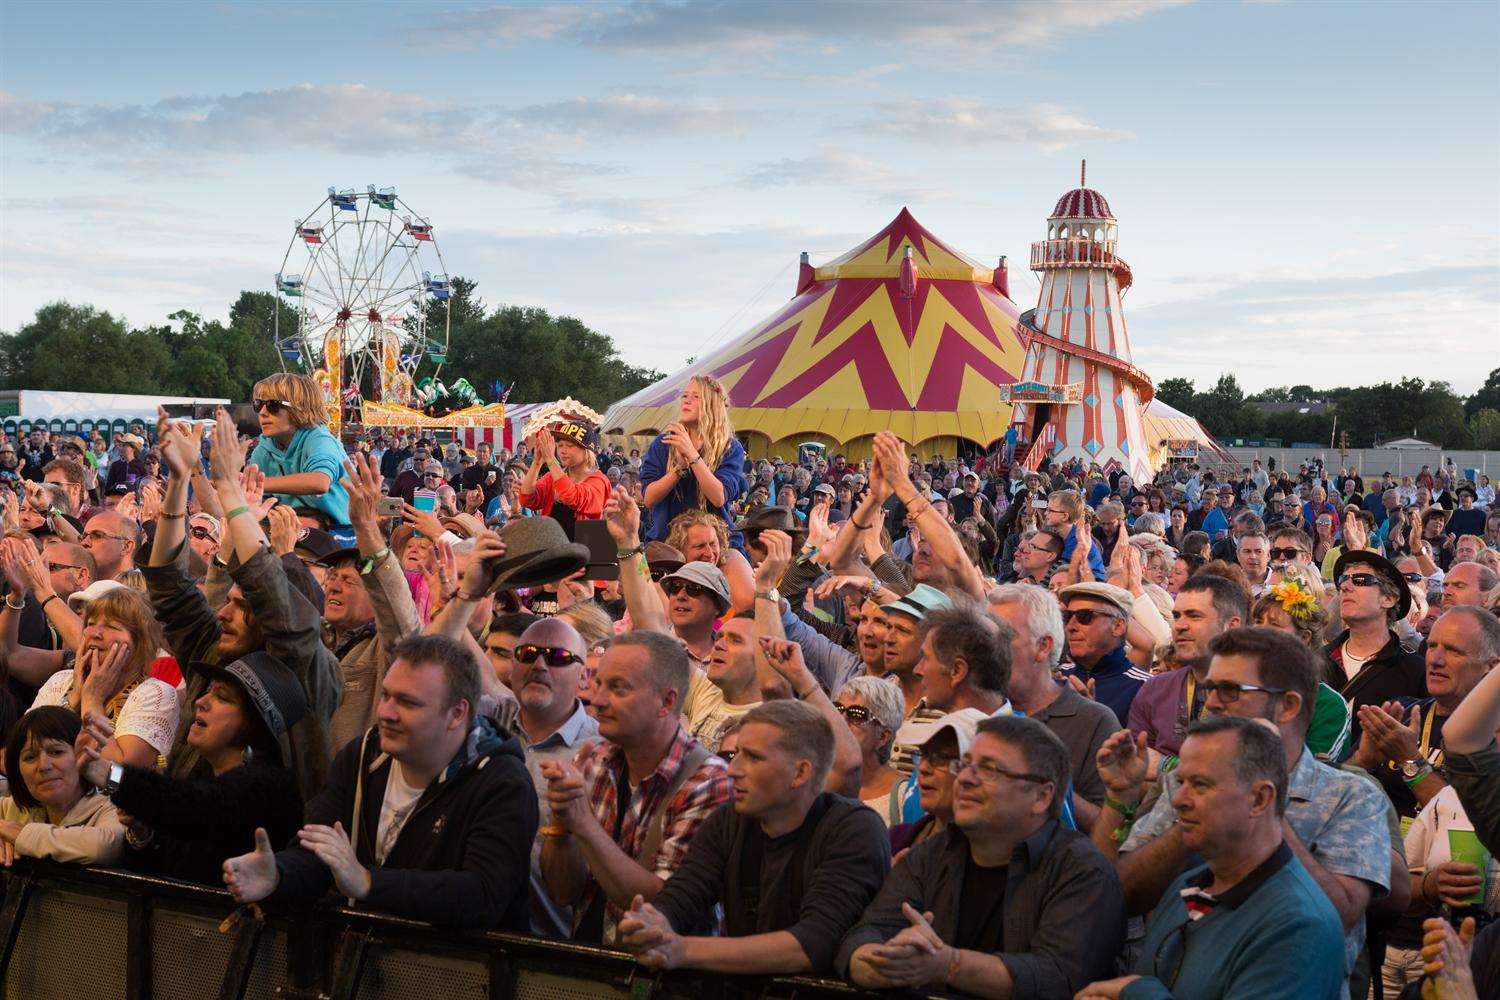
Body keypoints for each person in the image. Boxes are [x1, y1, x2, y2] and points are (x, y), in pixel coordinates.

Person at [1098, 628, 1395, 988]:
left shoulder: (1350, 795)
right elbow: (1123, 896)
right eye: (1209, 690)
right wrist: (1197, 813)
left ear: (1287, 706)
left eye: (1231, 691)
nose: (1212, 704)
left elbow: (1338, 916)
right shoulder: (1185, 780)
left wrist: (1258, 801)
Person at [223, 634, 537, 930]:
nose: (386, 713)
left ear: (457, 714)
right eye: (386, 695)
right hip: (365, 970)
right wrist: (277, 875)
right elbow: (321, 854)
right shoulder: (360, 756)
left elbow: (483, 894)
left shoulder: (502, 781)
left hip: (457, 979)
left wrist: (369, 883)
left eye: (408, 703)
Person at [841, 716, 1125, 999]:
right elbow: (865, 933)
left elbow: (1057, 977)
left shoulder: (1081, 870)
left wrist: (948, 964)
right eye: (964, 766)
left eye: (989, 770)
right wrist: (880, 962)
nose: (964, 778)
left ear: (1041, 796)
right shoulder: (930, 854)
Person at [1077, 717, 1347, 1000]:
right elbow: (1101, 907)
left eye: (1201, 784)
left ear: (1259, 799)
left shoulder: (1298, 926)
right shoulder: (1188, 887)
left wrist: (1136, 992)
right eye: (1180, 781)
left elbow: (1143, 986)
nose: (1179, 799)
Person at [617, 701, 890, 975]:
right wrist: (653, 923)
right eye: (735, 754)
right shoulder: (729, 820)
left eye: (753, 757)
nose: (733, 769)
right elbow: (684, 895)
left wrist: (683, 950)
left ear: (800, 773)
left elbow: (814, 944)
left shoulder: (853, 830)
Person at [538, 630, 731, 944]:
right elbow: (562, 893)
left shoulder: (708, 782)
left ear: (666, 701)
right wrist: (562, 821)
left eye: (618, 688)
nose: (597, 701)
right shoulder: (595, 763)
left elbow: (664, 907)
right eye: (598, 683)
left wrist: (583, 822)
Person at [75, 651, 306, 883]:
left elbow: (194, 807)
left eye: (223, 697)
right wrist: (144, 834)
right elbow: (169, 870)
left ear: (254, 728)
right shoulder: (203, 780)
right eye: (208, 691)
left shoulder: (271, 786)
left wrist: (111, 776)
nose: (200, 702)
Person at [988, 584, 1120, 830]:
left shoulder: (1093, 721)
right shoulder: (977, 711)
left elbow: (1108, 830)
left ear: (1043, 646)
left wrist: (1046, 782)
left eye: (1003, 636)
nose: (987, 647)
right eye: (985, 635)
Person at [509, 617, 601, 937]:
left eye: (558, 657)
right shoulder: (484, 723)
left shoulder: (601, 752)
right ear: (512, 665)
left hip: (553, 948)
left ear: (584, 676)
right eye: (527, 653)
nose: (539, 664)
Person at [21, 586, 179, 770]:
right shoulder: (61, 681)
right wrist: (72, 700)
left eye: (111, 626)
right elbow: (25, 749)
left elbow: (122, 770)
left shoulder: (156, 694)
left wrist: (92, 699)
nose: (95, 633)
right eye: (90, 624)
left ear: (140, 642)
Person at [1128, 574, 1246, 757]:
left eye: (1194, 616)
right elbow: (1137, 766)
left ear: (1232, 626)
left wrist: (1163, 766)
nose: (1179, 626)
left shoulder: (1258, 693)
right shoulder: (1154, 689)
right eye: (1177, 616)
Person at [0, 705, 124, 867]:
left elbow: (103, 847)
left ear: (83, 755)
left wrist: (20, 835)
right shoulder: (14, 808)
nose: (44, 766)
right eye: (30, 757)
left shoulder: (112, 807)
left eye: (56, 752)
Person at [1323, 549, 1427, 737]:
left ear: (1388, 599)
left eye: (1360, 580)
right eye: (1342, 580)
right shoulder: (1316, 660)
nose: (1345, 586)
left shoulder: (1415, 670)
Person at [640, 376, 748, 551]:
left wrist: (691, 454)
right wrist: (679, 468)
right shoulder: (664, 442)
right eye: (685, 396)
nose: (687, 400)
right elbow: (649, 499)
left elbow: (718, 497)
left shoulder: (728, 447)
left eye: (696, 396)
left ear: (712, 405)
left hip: (716, 543)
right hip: (668, 541)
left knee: (741, 573)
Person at [245, 372, 351, 531]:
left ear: (300, 408)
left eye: (273, 404)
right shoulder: (263, 450)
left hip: (340, 531)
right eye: (258, 404)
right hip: (293, 529)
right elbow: (259, 505)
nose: (262, 412)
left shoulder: (319, 438)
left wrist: (257, 484)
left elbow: (320, 482)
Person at [1057, 582, 1151, 727]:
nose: (1070, 626)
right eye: (1067, 616)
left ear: (1118, 626)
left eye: (1084, 616)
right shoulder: (1055, 678)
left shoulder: (1145, 688)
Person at [518, 416, 610, 539]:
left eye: (570, 445)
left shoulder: (599, 481)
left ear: (586, 450)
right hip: (552, 548)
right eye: (560, 445)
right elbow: (527, 500)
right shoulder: (553, 476)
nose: (563, 450)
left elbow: (572, 497)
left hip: (585, 552)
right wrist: (537, 463)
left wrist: (551, 459)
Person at [835, 675, 906, 825]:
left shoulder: (904, 797)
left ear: (883, 736)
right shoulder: (820, 783)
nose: (841, 721)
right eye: (837, 710)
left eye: (856, 714)